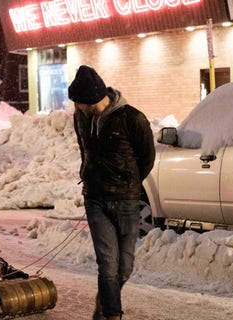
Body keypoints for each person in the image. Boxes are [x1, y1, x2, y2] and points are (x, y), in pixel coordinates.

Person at [69, 66, 155, 320]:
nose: (76, 107)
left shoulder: (132, 119)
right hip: (95, 199)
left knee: (124, 267)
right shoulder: (80, 117)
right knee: (107, 264)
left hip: (127, 201)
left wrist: (128, 182)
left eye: (79, 102)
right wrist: (89, 174)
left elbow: (147, 158)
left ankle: (104, 302)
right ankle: (112, 315)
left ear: (91, 99)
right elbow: (85, 150)